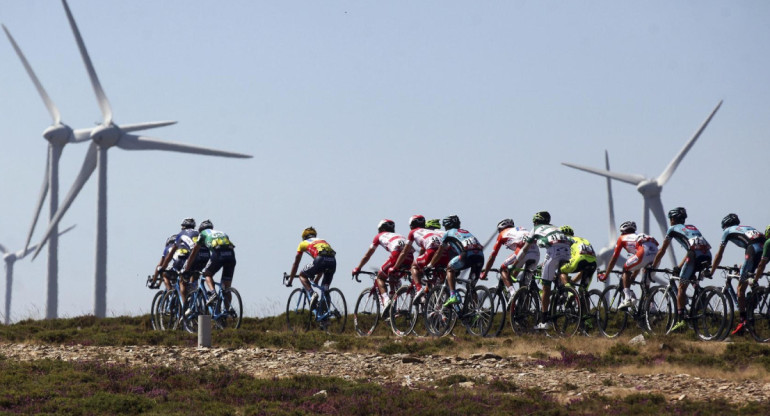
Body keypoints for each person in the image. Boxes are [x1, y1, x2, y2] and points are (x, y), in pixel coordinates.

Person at [651, 207, 712, 332]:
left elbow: (662, 250)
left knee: (681, 287)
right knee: (690, 275)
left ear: (673, 219)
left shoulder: (672, 229)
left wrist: (653, 267)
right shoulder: (692, 227)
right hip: (707, 255)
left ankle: (681, 319)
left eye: (670, 219)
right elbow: (693, 249)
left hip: (693, 256)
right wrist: (679, 267)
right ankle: (700, 296)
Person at [513, 211, 572, 330]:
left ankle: (545, 321)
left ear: (536, 222)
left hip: (554, 252)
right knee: (553, 271)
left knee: (546, 286)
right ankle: (564, 293)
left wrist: (514, 265)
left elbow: (525, 249)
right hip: (567, 252)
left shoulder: (535, 229)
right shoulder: (555, 227)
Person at [709, 213, 765, 335]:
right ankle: (755, 291)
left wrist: (712, 270)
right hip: (763, 249)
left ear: (725, 225)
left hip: (752, 250)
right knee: (747, 274)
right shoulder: (747, 228)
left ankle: (743, 321)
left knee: (740, 289)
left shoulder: (728, 231)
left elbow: (719, 254)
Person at [352, 219, 413, 315]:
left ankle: (386, 300)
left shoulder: (379, 236)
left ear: (382, 229)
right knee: (393, 276)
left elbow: (367, 255)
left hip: (397, 255)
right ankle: (394, 307)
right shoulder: (400, 235)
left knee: (380, 277)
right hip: (410, 258)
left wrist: (358, 268)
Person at [426, 215, 484, 306]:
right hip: (480, 257)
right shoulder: (466, 232)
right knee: (471, 286)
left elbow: (439, 252)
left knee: (450, 268)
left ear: (447, 225)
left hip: (466, 256)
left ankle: (453, 295)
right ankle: (476, 311)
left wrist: (430, 265)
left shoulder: (448, 233)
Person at [602, 221, 659, 310]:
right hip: (655, 253)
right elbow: (639, 263)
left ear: (623, 231)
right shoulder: (638, 236)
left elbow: (614, 258)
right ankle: (651, 308)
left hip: (643, 253)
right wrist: (633, 277)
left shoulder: (622, 238)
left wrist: (606, 275)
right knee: (645, 284)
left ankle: (627, 298)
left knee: (625, 269)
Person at [389, 215, 447, 297]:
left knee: (414, 266)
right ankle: (442, 295)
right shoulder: (433, 232)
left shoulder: (413, 232)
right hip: (445, 255)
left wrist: (395, 267)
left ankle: (419, 289)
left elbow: (404, 252)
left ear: (411, 226)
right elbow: (423, 250)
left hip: (432, 253)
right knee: (436, 274)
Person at [480, 219, 540, 298]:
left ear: (501, 228)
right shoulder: (521, 229)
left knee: (503, 269)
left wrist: (485, 273)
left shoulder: (503, 233)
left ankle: (512, 293)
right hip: (536, 252)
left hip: (522, 251)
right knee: (524, 286)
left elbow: (493, 256)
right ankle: (524, 308)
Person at [184, 219, 237, 307]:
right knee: (226, 288)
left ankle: (213, 293)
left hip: (218, 252)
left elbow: (194, 253)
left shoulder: (202, 234)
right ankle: (227, 312)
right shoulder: (222, 232)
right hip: (231, 254)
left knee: (207, 274)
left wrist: (187, 269)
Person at [287, 227, 337, 312]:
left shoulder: (303, 243)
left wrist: (290, 281)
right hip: (332, 261)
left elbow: (296, 264)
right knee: (325, 289)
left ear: (304, 237)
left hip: (320, 259)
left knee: (302, 275)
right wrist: (317, 279)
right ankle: (325, 318)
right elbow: (322, 266)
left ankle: (311, 293)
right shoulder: (322, 240)